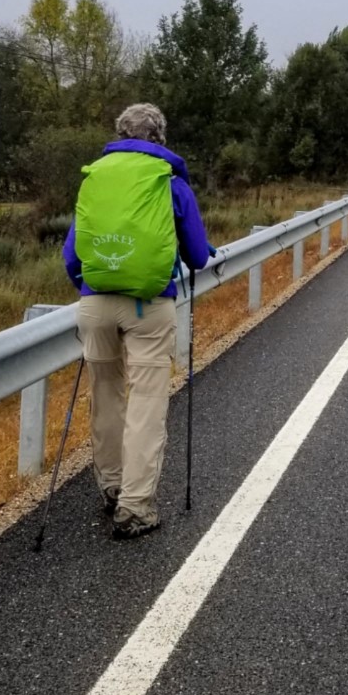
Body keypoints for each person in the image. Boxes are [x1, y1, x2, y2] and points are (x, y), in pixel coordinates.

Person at [62, 103, 213, 539]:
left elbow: (73, 255)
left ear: (120, 133)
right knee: (146, 401)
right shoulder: (169, 181)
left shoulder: (96, 177)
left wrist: (90, 287)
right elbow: (197, 256)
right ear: (159, 138)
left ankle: (111, 487)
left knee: (105, 394)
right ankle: (135, 506)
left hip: (95, 303)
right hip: (149, 305)